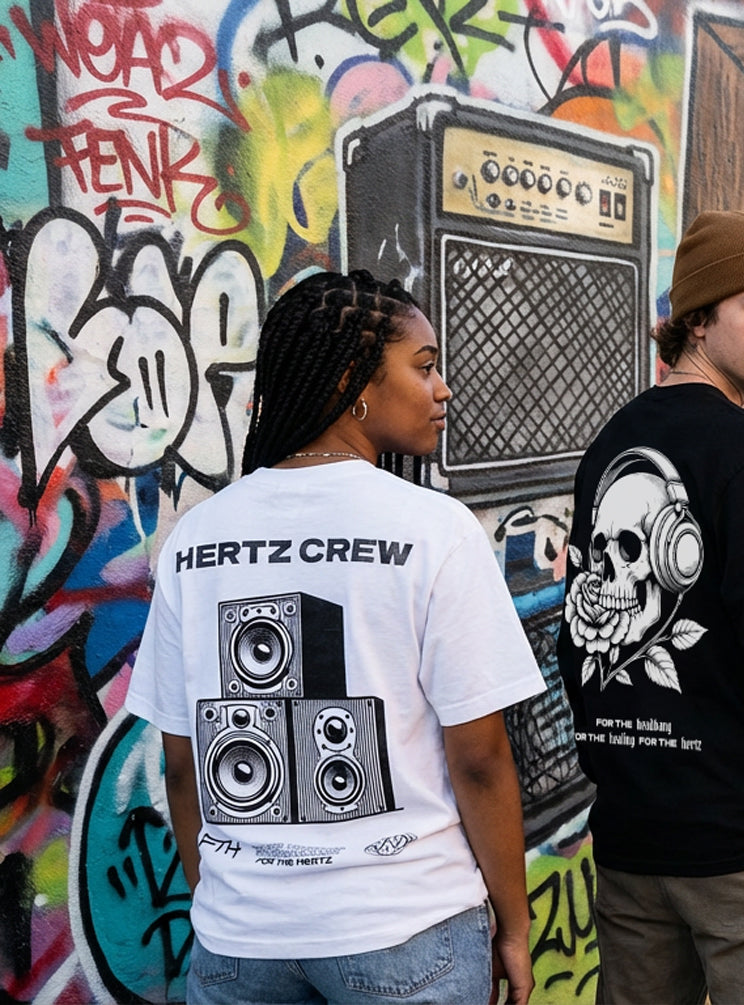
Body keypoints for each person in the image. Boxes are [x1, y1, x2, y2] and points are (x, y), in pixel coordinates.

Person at [125, 269, 545, 1004]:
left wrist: (229, 907)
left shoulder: (195, 539)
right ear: (354, 379)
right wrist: (512, 922)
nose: (442, 388)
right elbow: (479, 757)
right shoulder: (435, 529)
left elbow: (183, 764)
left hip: (240, 942)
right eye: (423, 366)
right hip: (406, 929)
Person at [557, 210, 744, 1005]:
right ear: (697, 317)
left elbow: (579, 640)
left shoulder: (610, 446)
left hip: (634, 839)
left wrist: (620, 780)